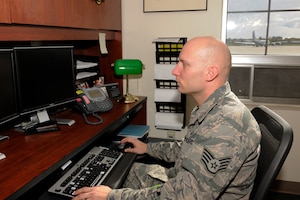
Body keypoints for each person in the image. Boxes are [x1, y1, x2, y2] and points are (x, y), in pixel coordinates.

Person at [72, 36, 261, 200]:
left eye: (184, 64)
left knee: (106, 188)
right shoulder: (213, 107)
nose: (174, 71)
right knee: (115, 173)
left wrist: (111, 196)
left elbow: (185, 196)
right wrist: (147, 148)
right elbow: (189, 150)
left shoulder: (228, 123)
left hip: (185, 193)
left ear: (210, 73)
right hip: (181, 181)